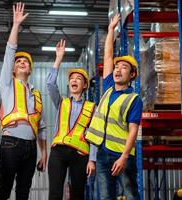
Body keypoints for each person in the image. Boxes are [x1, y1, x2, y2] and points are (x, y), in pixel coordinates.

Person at [85, 14, 143, 199]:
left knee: (131, 194)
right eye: (116, 67)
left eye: (124, 67)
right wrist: (111, 30)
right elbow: (108, 55)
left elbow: (133, 131)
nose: (117, 69)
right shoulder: (109, 87)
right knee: (105, 197)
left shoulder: (134, 99)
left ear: (132, 74)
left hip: (122, 156)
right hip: (103, 153)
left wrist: (124, 157)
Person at [0, 2, 47, 200]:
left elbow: (41, 127)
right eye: (18, 61)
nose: (22, 62)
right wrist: (16, 25)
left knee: (23, 193)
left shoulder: (36, 95)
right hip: (10, 144)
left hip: (31, 147)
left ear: (30, 70)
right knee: (4, 190)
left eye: (26, 61)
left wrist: (44, 154)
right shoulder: (7, 84)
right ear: (13, 70)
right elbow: (9, 53)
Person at [46, 39, 96, 200]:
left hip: (80, 154)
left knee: (77, 195)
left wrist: (92, 160)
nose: (74, 80)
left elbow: (94, 135)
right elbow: (50, 83)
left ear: (84, 85)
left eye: (78, 79)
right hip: (58, 152)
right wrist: (58, 58)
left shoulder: (91, 107)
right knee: (54, 194)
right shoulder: (61, 102)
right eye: (72, 78)